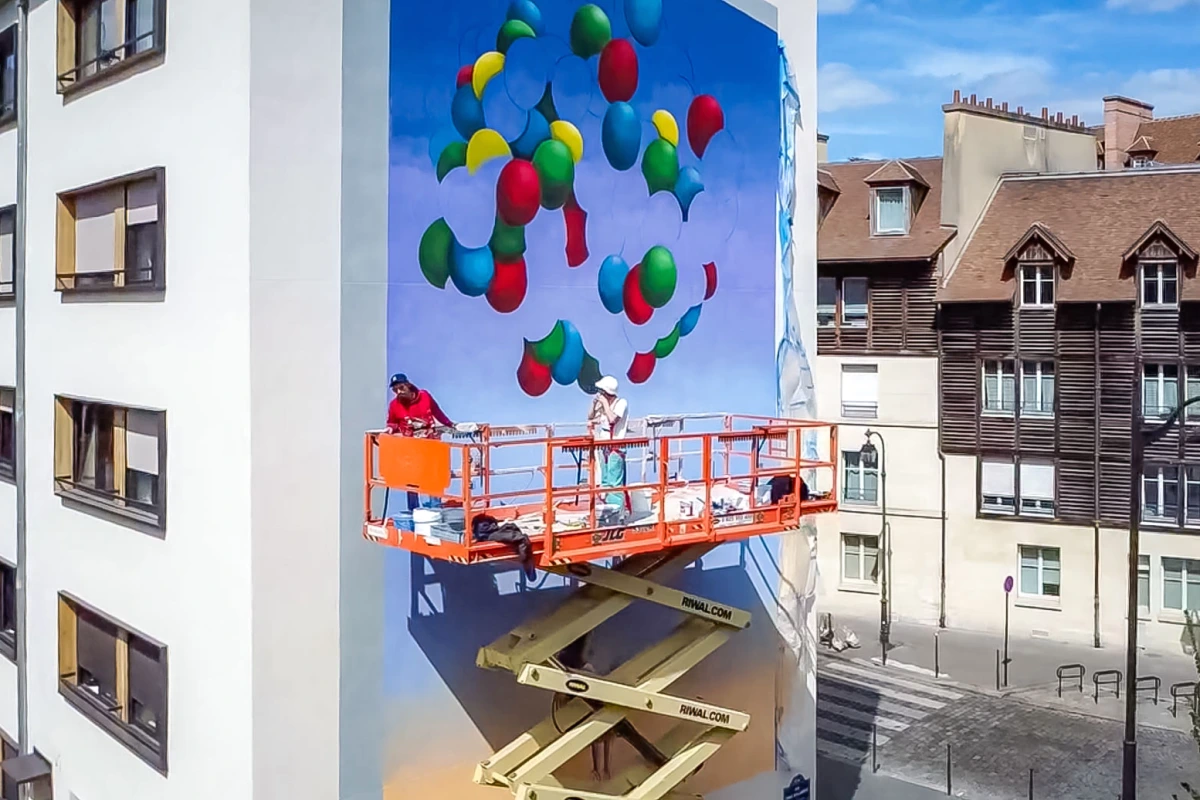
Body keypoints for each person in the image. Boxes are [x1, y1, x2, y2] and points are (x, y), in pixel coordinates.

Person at [386, 373, 454, 510]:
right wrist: (389, 429)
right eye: (395, 390)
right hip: (411, 448)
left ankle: (435, 512)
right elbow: (392, 422)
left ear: (408, 385)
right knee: (411, 481)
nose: (399, 392)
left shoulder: (424, 396)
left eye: (401, 387)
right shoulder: (394, 405)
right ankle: (414, 513)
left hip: (431, 445)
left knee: (433, 479)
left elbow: (437, 412)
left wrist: (450, 424)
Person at [588, 376, 629, 509]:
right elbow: (590, 417)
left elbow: (612, 419)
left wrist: (605, 403)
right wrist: (595, 405)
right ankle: (607, 509)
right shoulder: (604, 406)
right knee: (605, 480)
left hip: (616, 447)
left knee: (614, 482)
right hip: (604, 446)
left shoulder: (621, 403)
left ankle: (617, 511)